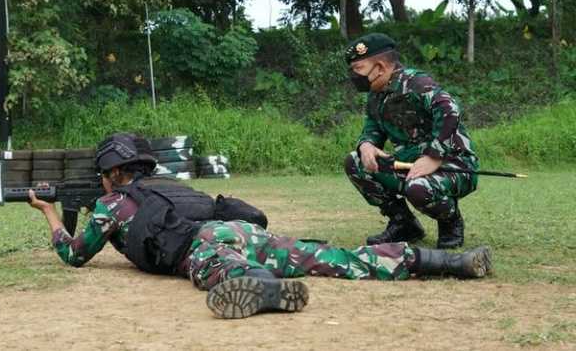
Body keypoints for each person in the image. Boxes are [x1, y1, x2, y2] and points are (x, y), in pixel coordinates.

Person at [28, 133, 492, 319]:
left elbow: (75, 254)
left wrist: (50, 214)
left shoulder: (112, 204)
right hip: (241, 229)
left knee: (219, 268)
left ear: (111, 173)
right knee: (332, 257)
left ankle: (261, 287)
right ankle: (444, 261)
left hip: (204, 244)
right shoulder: (169, 184)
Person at [343, 33, 479, 249]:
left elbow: (449, 110)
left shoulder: (415, 82)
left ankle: (450, 222)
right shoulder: (376, 94)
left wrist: (434, 156)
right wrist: (366, 145)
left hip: (452, 165)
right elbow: (373, 127)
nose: (353, 76)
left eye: (358, 69)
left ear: (379, 67)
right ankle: (404, 224)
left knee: (417, 187)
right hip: (408, 164)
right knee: (354, 162)